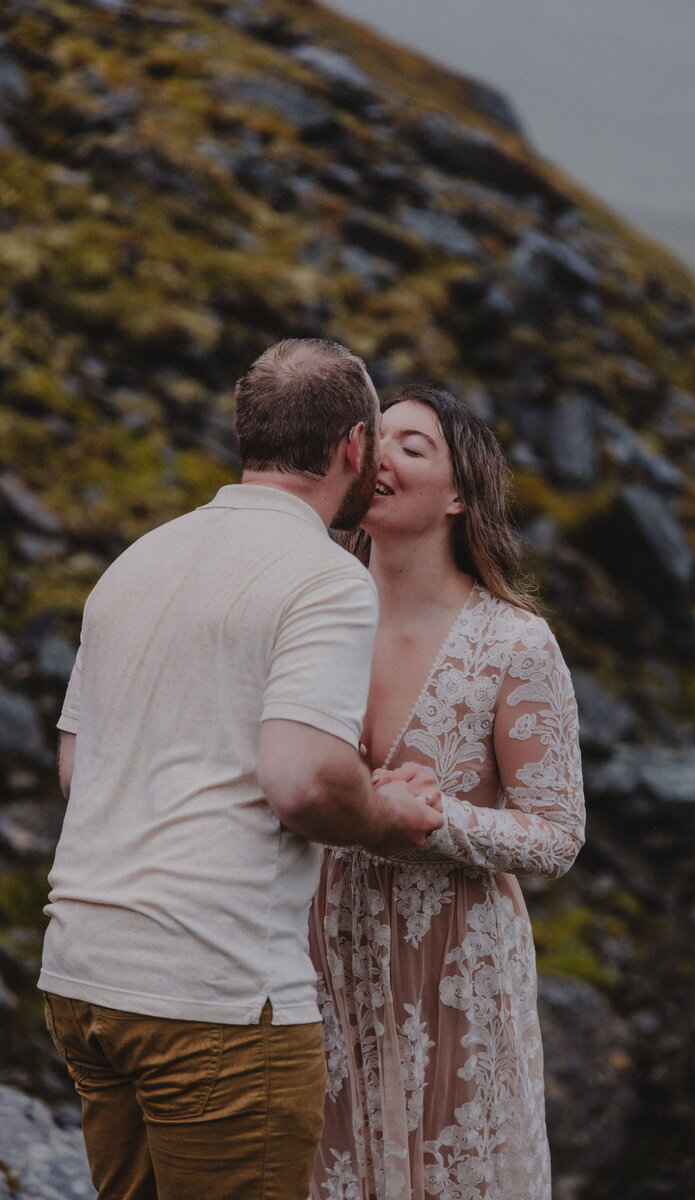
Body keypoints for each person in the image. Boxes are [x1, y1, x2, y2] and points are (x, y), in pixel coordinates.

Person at [37, 339, 443, 1200]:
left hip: (84, 976)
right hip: (214, 994)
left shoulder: (137, 561)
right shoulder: (325, 579)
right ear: (352, 448)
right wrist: (389, 817)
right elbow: (301, 780)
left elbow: (79, 769)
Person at [308, 386, 585, 1200]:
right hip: (320, 963)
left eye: (413, 446)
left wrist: (439, 818)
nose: (380, 455)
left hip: (456, 977)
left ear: (460, 495)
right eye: (376, 436)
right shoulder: (312, 613)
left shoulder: (513, 642)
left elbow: (558, 834)